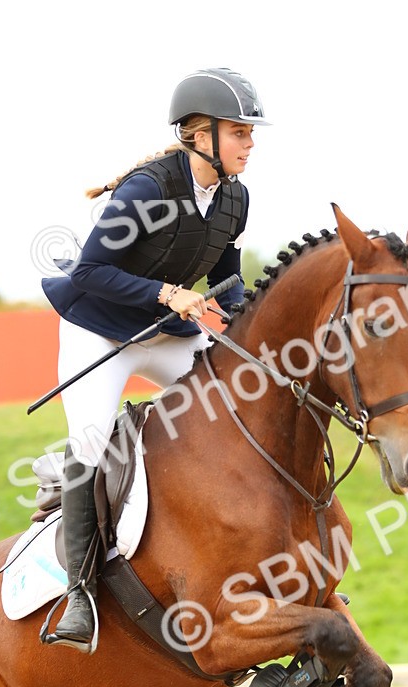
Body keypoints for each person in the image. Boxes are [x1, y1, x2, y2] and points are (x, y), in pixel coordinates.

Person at [39, 67, 269, 652]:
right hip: (99, 330)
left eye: (250, 133)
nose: (250, 143)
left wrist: (244, 318)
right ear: (200, 135)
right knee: (90, 443)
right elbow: (89, 271)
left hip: (163, 330)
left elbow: (226, 278)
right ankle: (79, 594)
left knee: (234, 403)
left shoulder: (235, 198)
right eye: (239, 132)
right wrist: (169, 294)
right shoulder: (146, 190)